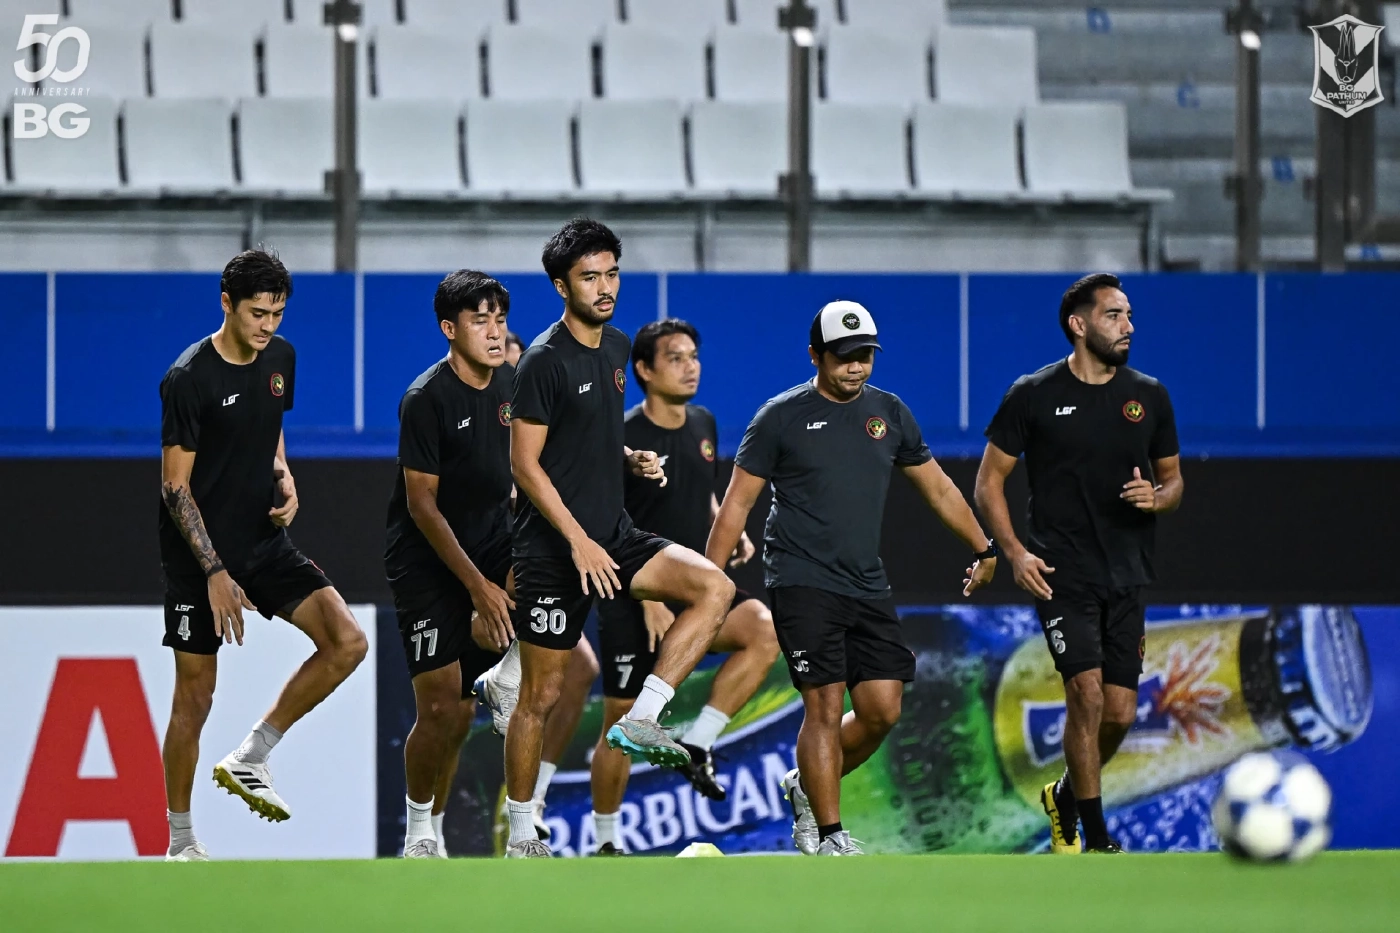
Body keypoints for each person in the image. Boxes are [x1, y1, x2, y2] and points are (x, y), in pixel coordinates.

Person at [708, 301, 997, 857]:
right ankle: (830, 834)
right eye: (844, 357)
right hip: (800, 579)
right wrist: (709, 587)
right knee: (822, 704)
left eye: (864, 355)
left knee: (882, 710)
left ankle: (806, 787)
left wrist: (983, 547)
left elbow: (937, 487)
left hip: (866, 583)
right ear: (815, 355)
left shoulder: (890, 413)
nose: (856, 367)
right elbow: (736, 506)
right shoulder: (779, 417)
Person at [502, 218, 734, 858]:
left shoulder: (617, 347)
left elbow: (589, 442)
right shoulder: (544, 362)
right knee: (541, 697)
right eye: (588, 277)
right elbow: (526, 466)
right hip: (554, 549)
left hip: (617, 534)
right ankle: (523, 836)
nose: (604, 288)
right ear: (560, 285)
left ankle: (642, 717)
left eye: (611, 274)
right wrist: (577, 541)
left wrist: (628, 458)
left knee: (715, 588)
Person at [158, 250, 368, 861]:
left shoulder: (282, 357)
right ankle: (180, 840)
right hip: (199, 560)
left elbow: (269, 421)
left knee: (347, 641)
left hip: (264, 541)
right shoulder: (188, 378)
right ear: (226, 304)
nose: (268, 325)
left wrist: (283, 470)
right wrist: (215, 572)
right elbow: (174, 487)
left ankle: (252, 755)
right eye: (257, 312)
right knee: (194, 697)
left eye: (277, 312)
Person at [974, 273, 1183, 855]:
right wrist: (1014, 553)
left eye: (1129, 315)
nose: (1128, 326)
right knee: (1086, 697)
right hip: (1060, 575)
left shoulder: (1151, 396)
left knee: (1118, 713)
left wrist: (1158, 498)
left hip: (1128, 574)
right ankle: (1096, 838)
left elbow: (1174, 482)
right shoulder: (1033, 394)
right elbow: (988, 482)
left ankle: (1065, 796)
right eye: (1115, 315)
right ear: (1079, 324)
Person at [589, 319, 780, 855]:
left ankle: (698, 741)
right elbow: (603, 524)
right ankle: (606, 844)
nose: (690, 365)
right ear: (644, 371)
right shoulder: (622, 437)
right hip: (633, 593)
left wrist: (727, 524)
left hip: (696, 589)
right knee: (621, 724)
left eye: (694, 355)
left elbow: (703, 493)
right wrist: (645, 598)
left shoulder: (704, 422)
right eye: (675, 357)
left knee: (763, 632)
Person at [383, 270, 520, 859]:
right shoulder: (426, 399)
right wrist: (480, 590)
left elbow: (561, 446)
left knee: (563, 551)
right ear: (449, 329)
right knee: (442, 709)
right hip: (428, 559)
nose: (494, 332)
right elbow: (422, 505)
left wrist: (623, 457)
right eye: (478, 320)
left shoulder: (512, 384)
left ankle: (509, 671)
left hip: (494, 544)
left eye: (500, 319)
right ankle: (420, 833)